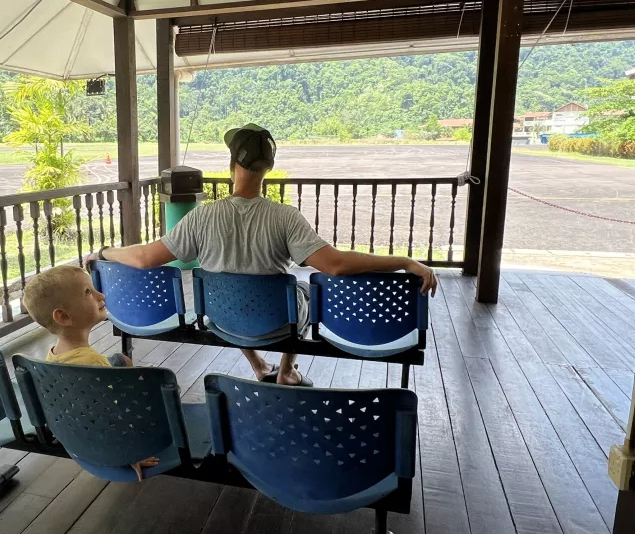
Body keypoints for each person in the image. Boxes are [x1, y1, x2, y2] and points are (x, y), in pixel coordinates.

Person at [87, 123, 438, 387]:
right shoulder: (285, 217)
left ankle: (258, 364)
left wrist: (105, 251)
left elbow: (146, 258)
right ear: (267, 168)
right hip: (276, 322)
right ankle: (285, 371)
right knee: (298, 290)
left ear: (231, 165)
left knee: (229, 288)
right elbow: (336, 265)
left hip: (222, 320)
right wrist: (405, 261)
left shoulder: (202, 215)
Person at [22, 265, 157, 480]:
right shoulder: (92, 363)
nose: (100, 295)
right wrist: (130, 454)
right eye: (88, 293)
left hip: (75, 417)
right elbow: (112, 416)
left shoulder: (54, 355)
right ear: (64, 317)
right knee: (161, 388)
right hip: (100, 433)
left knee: (120, 360)